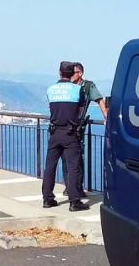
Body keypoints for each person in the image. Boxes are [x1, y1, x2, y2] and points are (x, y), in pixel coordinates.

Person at [42, 61, 88, 211]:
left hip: (54, 132)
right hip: (70, 133)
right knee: (73, 167)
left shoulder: (50, 89)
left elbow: (52, 107)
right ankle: (74, 201)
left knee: (50, 166)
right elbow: (80, 111)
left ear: (59, 73)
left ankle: (47, 199)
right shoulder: (77, 90)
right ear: (71, 74)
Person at [72, 62, 108, 198]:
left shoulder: (88, 86)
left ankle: (78, 187)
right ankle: (70, 186)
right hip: (66, 126)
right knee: (66, 157)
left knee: (78, 157)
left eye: (73, 72)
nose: (70, 75)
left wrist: (106, 116)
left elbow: (99, 100)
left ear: (80, 73)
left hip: (78, 127)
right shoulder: (67, 86)